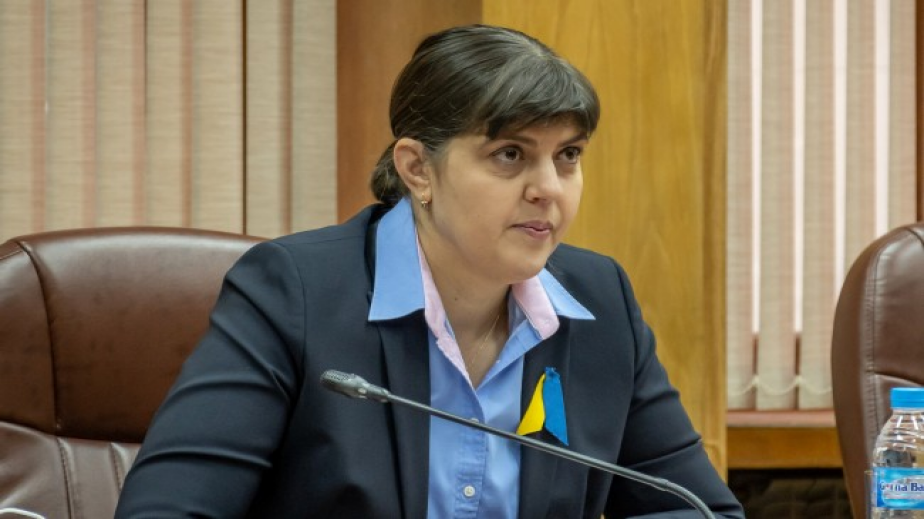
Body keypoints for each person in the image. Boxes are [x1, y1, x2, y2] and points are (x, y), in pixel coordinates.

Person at [115, 24, 744, 518]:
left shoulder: (600, 302)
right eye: (510, 155)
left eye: (568, 156)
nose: (549, 189)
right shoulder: (295, 294)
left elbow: (695, 509)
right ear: (417, 169)